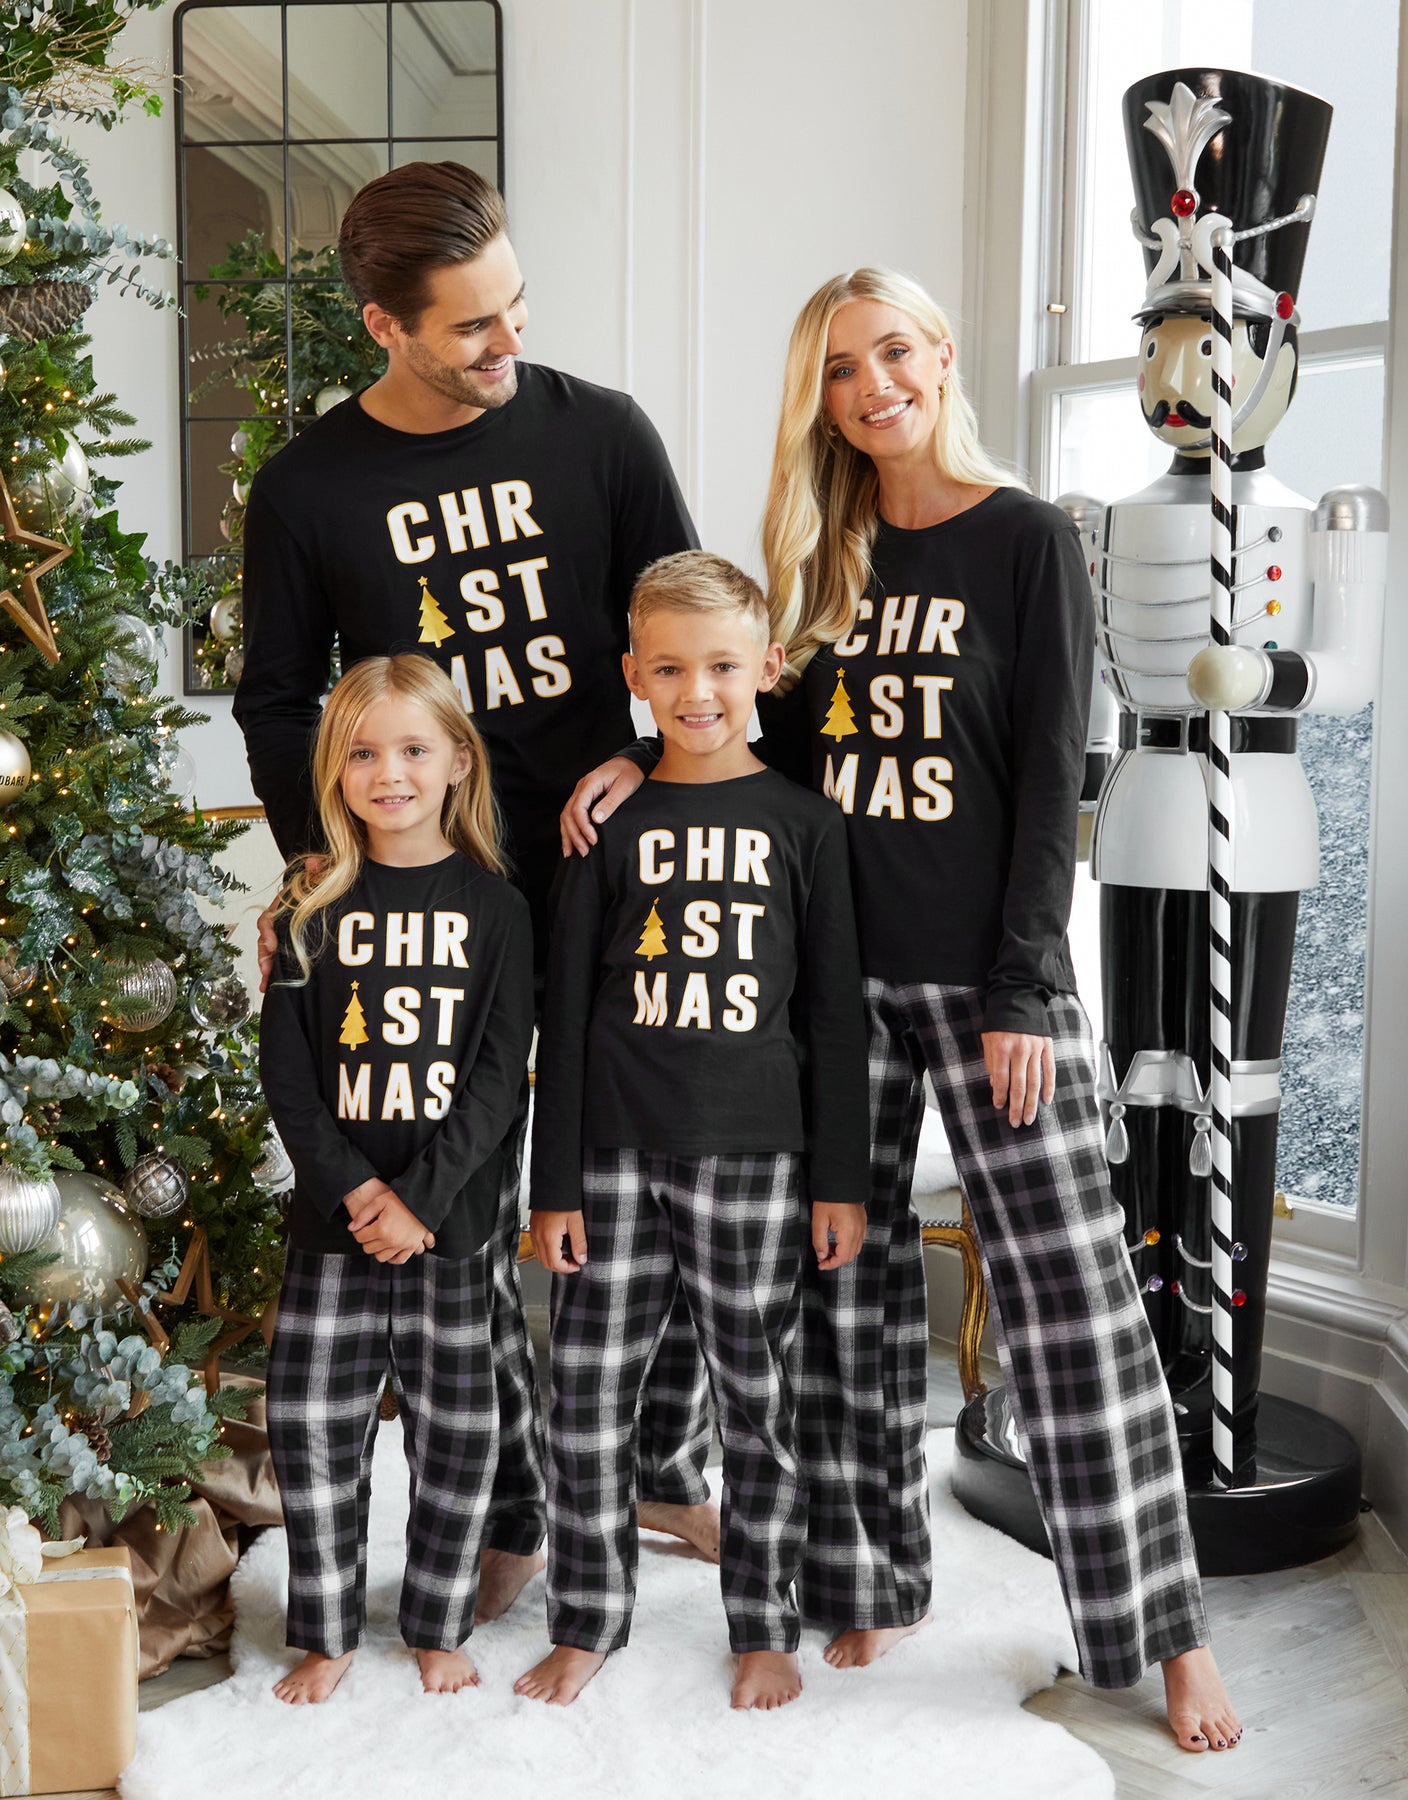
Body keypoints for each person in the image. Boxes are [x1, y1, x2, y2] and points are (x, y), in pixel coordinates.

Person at [562, 270, 1243, 1754]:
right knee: (840, 1295)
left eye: (891, 353)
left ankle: (1165, 1635)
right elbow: (753, 738)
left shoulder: (1028, 541)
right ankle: (867, 1574)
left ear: (938, 357)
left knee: (1074, 1304)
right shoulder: (816, 561)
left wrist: (1022, 984)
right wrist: (632, 757)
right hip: (825, 987)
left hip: (994, 987)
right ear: (817, 399)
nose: (871, 386)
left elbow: (1054, 772)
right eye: (838, 368)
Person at [235, 160, 718, 1617]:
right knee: (469, 1195)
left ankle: (654, 1464)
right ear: (384, 327)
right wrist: (318, 862)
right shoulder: (310, 487)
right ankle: (513, 1499)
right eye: (471, 327)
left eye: (515, 306)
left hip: (609, 864)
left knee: (643, 1181)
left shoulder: (602, 433)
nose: (510, 342)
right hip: (430, 893)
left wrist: (644, 754)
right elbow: (279, 697)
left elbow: (684, 627)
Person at [516, 551, 869, 1712]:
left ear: (766, 667)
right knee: (585, 1398)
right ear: (632, 675)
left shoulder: (806, 825)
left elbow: (831, 1017)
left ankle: (762, 1623)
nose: (696, 690)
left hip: (758, 1157)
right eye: (668, 668)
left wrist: (838, 1179)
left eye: (720, 665)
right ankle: (585, 1620)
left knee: (757, 1403)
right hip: (611, 1155)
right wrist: (552, 1185)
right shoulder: (604, 824)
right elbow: (565, 1013)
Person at [261, 653, 534, 1704]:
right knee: (314, 1431)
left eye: (413, 749)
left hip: (447, 1226)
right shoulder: (307, 906)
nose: (390, 773)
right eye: (364, 753)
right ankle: (326, 1630)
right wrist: (354, 1192)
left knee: (455, 1438)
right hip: (333, 1227)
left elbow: (498, 1077)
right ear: (336, 771)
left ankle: (436, 1622)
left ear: (457, 761)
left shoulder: (496, 909)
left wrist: (419, 1198)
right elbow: (288, 1075)